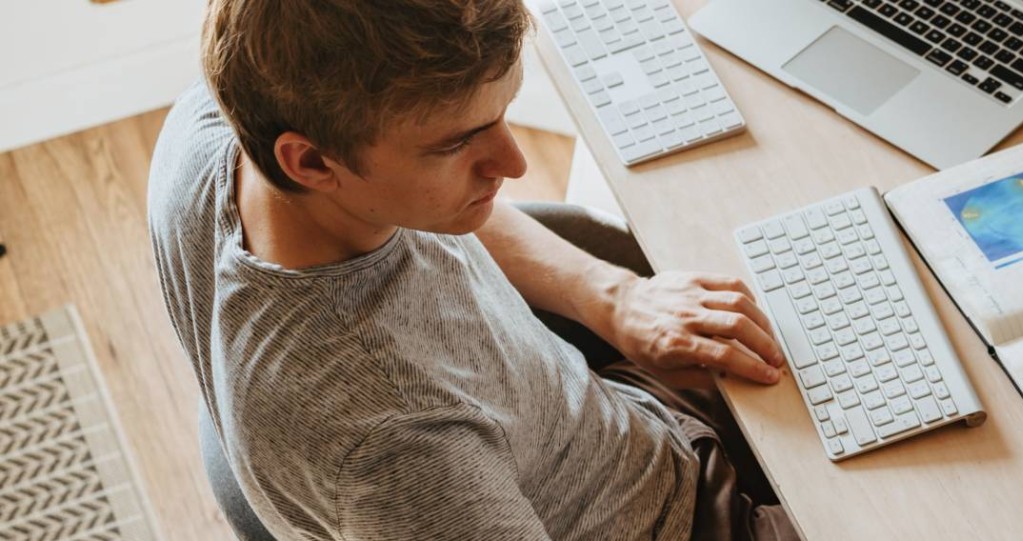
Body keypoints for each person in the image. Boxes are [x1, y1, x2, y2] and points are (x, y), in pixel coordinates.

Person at [146, 1, 799, 539]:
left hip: (622, 423)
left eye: (502, 115)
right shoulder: (401, 450)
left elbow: (456, 204)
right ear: (311, 163)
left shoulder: (225, 116)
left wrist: (616, 298)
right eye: (458, 143)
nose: (512, 164)